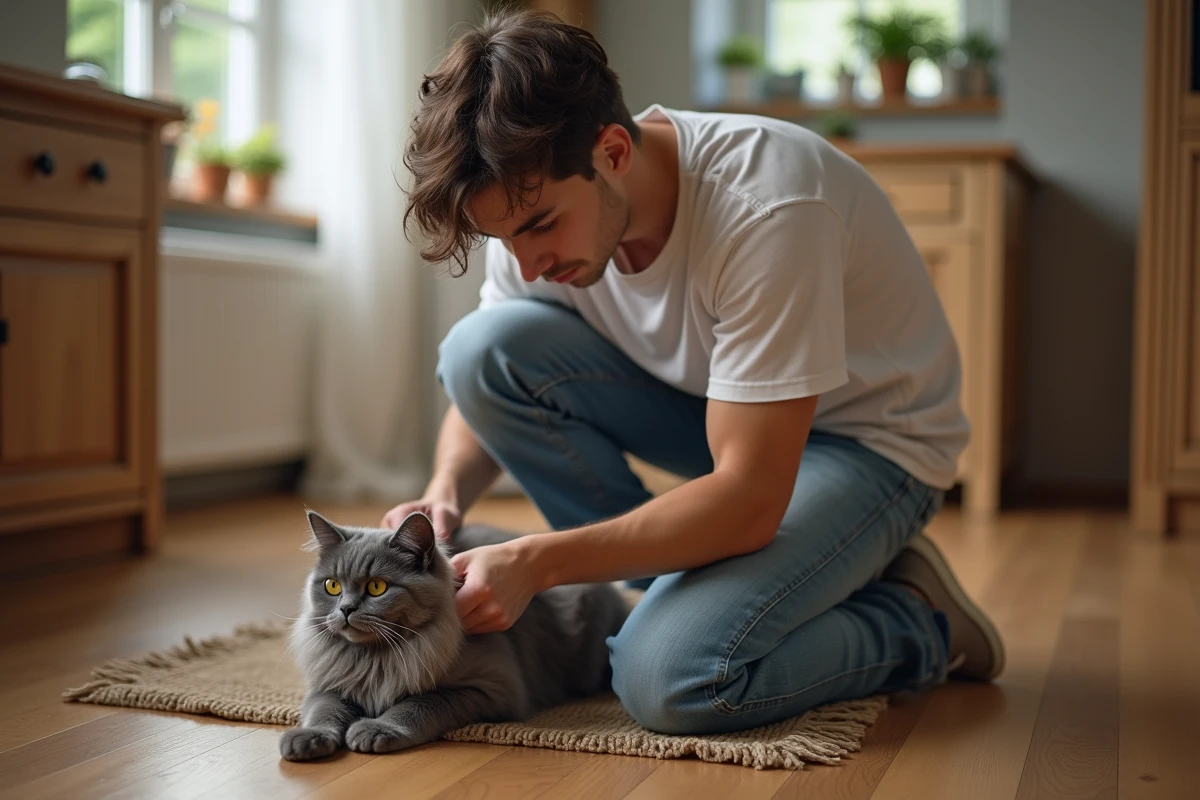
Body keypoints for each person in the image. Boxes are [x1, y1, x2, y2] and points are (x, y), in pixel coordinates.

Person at [382, 8, 1004, 736]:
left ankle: (915, 620)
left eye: (540, 228)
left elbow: (747, 496)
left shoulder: (768, 203)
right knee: (478, 348)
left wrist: (541, 563)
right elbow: (483, 378)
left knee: (671, 677)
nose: (527, 264)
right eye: (504, 239)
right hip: (717, 413)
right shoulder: (530, 200)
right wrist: (440, 498)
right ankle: (697, 583)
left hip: (868, 448)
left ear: (614, 150)